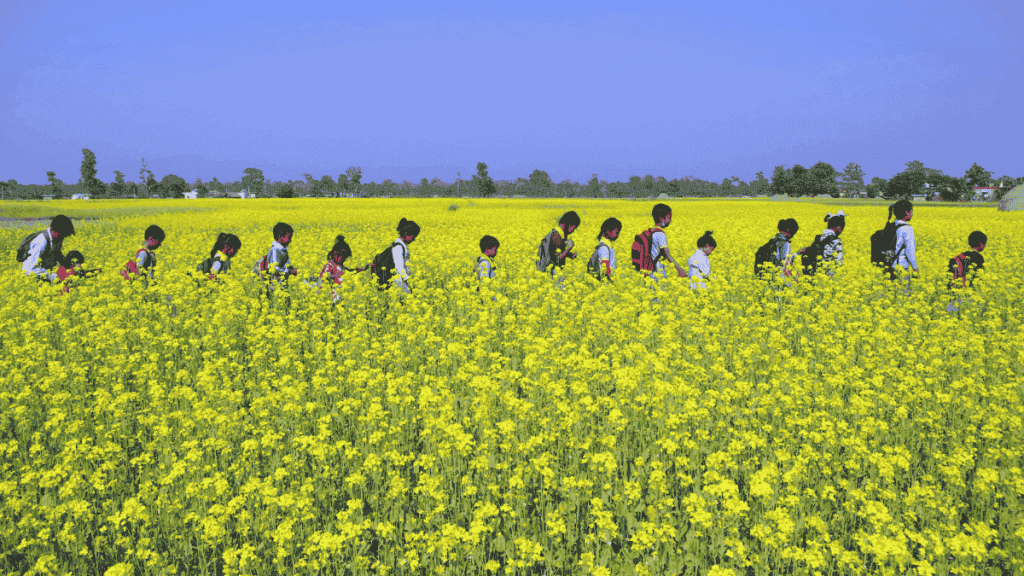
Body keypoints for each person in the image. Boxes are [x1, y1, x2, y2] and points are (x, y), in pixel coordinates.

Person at [18, 214, 74, 283]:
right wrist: (53, 277)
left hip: (43, 275)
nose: (63, 238)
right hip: (31, 277)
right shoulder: (42, 241)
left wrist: (71, 266)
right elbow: (31, 269)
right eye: (62, 235)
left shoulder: (56, 239)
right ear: (54, 230)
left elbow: (57, 255)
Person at [371, 218, 420, 293]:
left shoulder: (402, 246)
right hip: (398, 281)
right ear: (406, 234)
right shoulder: (398, 247)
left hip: (401, 280)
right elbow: (399, 267)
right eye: (413, 237)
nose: (414, 240)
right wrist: (408, 281)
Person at [316, 234, 365, 304]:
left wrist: (361, 269)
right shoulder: (330, 265)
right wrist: (339, 276)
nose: (344, 260)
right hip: (328, 293)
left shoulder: (340, 266)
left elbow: (349, 272)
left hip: (338, 293)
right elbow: (325, 276)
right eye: (343, 257)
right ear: (335, 255)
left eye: (345, 258)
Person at [946, 230, 987, 315]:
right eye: (984, 243)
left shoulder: (957, 257)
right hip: (970, 297)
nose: (985, 246)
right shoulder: (979, 258)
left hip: (955, 295)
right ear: (980, 244)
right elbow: (979, 278)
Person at [647, 204, 686, 281]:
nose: (670, 220)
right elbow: (667, 255)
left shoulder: (650, 232)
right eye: (669, 217)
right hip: (658, 270)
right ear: (661, 218)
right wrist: (679, 269)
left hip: (649, 269)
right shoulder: (660, 234)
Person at [536, 211, 580, 279]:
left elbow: (553, 253)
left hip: (551, 273)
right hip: (551, 274)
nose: (573, 231)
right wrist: (569, 248)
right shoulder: (556, 236)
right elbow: (557, 258)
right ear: (569, 224)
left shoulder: (556, 234)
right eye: (574, 228)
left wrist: (568, 254)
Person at [802, 211, 845, 278]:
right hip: (828, 275)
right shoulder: (836, 241)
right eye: (842, 228)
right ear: (838, 227)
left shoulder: (818, 238)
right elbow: (839, 261)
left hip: (815, 273)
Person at [891, 200, 918, 287]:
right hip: (900, 267)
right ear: (907, 212)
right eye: (911, 211)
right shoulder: (907, 229)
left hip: (887, 267)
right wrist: (914, 267)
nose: (912, 214)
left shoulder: (890, 227)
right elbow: (909, 251)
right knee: (903, 295)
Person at [587, 218, 622, 282]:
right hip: (605, 283)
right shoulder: (604, 248)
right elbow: (605, 268)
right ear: (608, 231)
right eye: (617, 232)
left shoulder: (605, 245)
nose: (618, 235)